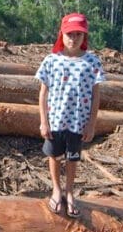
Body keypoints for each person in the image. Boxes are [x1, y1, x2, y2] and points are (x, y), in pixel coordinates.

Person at [35, 13, 105, 218]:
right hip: (56, 120)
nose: (73, 39)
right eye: (69, 34)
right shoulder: (51, 61)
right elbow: (43, 93)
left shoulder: (92, 62)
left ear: (84, 37)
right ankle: (56, 189)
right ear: (61, 35)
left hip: (78, 122)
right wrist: (43, 122)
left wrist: (91, 124)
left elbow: (96, 95)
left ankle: (70, 191)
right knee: (54, 156)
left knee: (72, 158)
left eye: (78, 34)